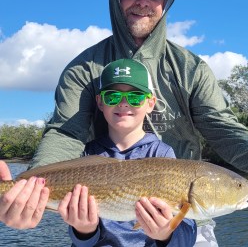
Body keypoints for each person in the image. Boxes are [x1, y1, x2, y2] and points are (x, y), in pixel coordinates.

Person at [0, 0, 248, 246]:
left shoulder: (191, 68)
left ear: (165, 2)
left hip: (187, 222)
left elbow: (221, 127)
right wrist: (30, 192)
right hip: (102, 225)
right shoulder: (83, 69)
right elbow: (66, 133)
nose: (143, 1)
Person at [58, 58, 197, 246]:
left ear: (150, 103)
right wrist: (84, 230)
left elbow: (184, 237)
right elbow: (82, 242)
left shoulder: (163, 154)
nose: (124, 103)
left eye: (135, 97)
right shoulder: (87, 154)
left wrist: (165, 234)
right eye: (113, 96)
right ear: (100, 102)